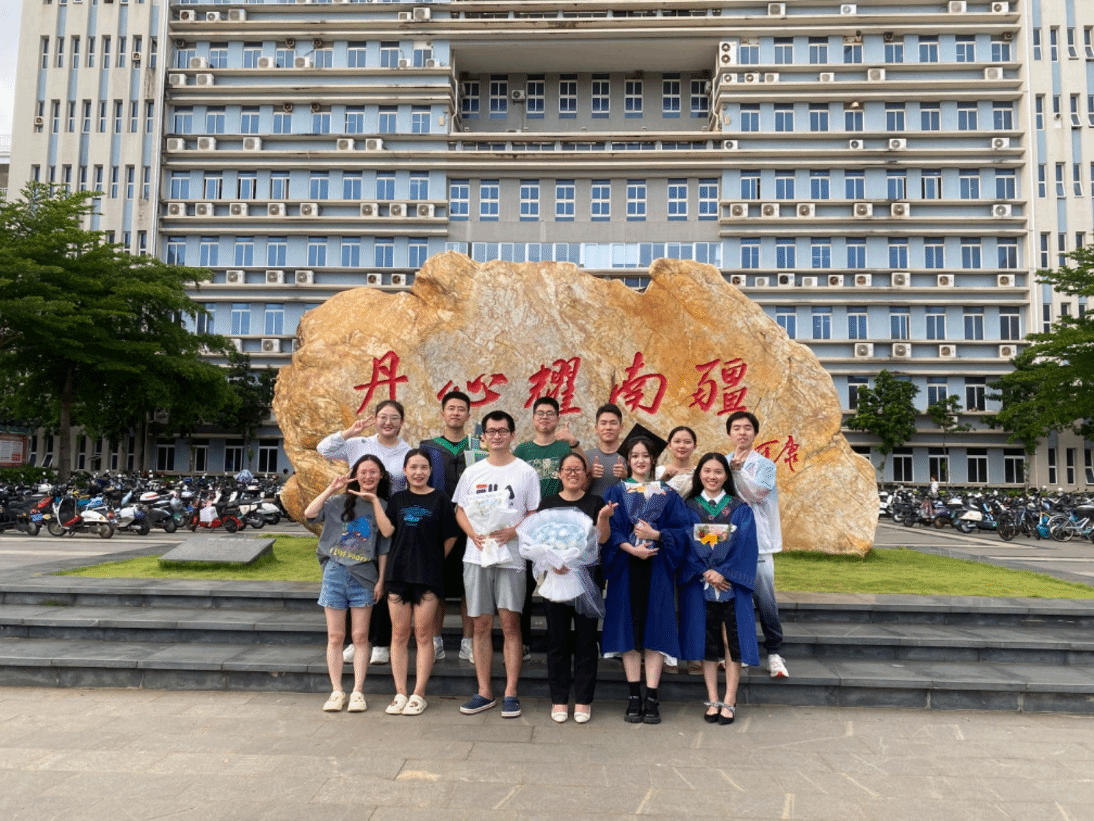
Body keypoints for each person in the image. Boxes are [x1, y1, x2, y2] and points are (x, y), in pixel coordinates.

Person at [453, 410, 541, 718]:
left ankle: (511, 693)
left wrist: (513, 531)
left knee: (510, 624)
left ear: (512, 435)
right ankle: (484, 692)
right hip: (477, 556)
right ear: (484, 437)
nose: (497, 436)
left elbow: (533, 513)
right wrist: (473, 534)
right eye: (491, 431)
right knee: (480, 625)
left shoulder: (525, 472)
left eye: (503, 431)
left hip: (511, 558)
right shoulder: (472, 472)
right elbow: (460, 510)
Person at [664, 453, 759, 725]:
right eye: (707, 471)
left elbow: (746, 545)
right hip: (699, 582)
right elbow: (682, 543)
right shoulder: (689, 507)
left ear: (726, 476)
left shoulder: (739, 508)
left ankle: (729, 699)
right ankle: (713, 698)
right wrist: (704, 570)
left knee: (731, 640)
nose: (712, 476)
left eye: (718, 471)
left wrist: (723, 572)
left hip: (731, 584)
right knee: (707, 639)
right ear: (699, 474)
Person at [602, 436, 691, 724]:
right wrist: (631, 549)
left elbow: (683, 530)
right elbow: (610, 530)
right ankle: (633, 695)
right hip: (626, 566)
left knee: (655, 629)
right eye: (635, 456)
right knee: (628, 631)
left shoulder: (667, 493)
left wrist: (657, 535)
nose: (640, 460)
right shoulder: (616, 491)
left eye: (645, 455)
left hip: (657, 567)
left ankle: (651, 696)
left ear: (653, 459)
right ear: (628, 460)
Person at [317, 400, 410, 667]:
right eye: (383, 417)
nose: (388, 422)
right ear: (375, 418)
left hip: (388, 515)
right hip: (357, 516)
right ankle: (357, 641)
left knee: (382, 579)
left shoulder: (406, 450)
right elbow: (324, 449)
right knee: (353, 573)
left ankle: (380, 642)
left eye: (394, 418)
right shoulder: (359, 443)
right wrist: (350, 431)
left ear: (402, 422)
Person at [303, 455, 393, 713]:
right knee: (335, 636)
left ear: (381, 475)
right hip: (335, 573)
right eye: (363, 472)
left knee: (360, 636)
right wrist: (332, 487)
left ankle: (357, 692)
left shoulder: (383, 505)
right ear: (355, 474)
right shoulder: (337, 502)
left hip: (364, 576)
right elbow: (309, 514)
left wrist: (381, 581)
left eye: (373, 472)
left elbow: (385, 543)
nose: (368, 476)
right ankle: (336, 691)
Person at [534, 451, 615, 724]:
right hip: (556, 581)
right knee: (556, 640)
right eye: (567, 469)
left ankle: (583, 700)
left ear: (585, 474)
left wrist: (603, 518)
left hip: (586, 581)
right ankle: (559, 699)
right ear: (559, 474)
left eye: (578, 469)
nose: (572, 474)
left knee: (586, 641)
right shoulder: (548, 504)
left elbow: (602, 540)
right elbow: (538, 541)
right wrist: (551, 561)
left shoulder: (595, 502)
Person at [383, 449, 460, 716]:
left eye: (424, 467)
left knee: (424, 634)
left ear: (430, 471)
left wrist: (436, 559)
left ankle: (419, 694)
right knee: (399, 634)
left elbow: (451, 534)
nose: (418, 472)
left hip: (428, 576)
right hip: (398, 574)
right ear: (405, 471)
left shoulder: (440, 499)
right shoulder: (397, 499)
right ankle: (400, 693)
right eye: (413, 467)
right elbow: (387, 533)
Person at [513, 396, 580, 659]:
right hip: (529, 526)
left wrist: (574, 443)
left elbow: (582, 474)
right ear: (533, 419)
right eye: (540, 413)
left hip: (559, 527)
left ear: (557, 418)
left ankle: (565, 643)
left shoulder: (565, 448)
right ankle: (522, 642)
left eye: (550, 413)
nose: (544, 417)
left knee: (561, 582)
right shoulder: (522, 450)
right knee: (524, 587)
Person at [726, 410, 789, 679]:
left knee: (765, 599)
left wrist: (737, 473)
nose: (742, 432)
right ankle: (738, 652)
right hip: (729, 543)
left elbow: (757, 493)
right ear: (729, 433)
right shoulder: (721, 462)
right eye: (736, 428)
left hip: (760, 541)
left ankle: (774, 652)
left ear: (755, 433)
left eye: (747, 428)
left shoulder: (765, 465)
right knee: (733, 599)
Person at [418, 390, 476, 663]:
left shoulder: (478, 448)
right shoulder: (428, 447)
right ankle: (435, 640)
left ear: (468, 414)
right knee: (436, 585)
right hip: (437, 526)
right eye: (451, 408)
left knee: (469, 586)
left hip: (471, 527)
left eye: (461, 409)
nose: (455, 413)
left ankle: (469, 642)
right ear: (443, 413)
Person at [586, 402, 627, 499]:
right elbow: (576, 491)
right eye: (603, 423)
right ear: (596, 429)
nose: (608, 427)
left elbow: (644, 489)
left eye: (613, 423)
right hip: (592, 508)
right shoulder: (586, 456)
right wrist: (590, 476)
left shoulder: (632, 457)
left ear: (621, 428)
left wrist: (627, 476)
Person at [656, 426, 698, 496]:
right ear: (669, 445)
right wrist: (662, 481)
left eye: (687, 442)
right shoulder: (657, 472)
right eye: (677, 441)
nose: (682, 446)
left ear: (694, 446)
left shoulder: (699, 474)